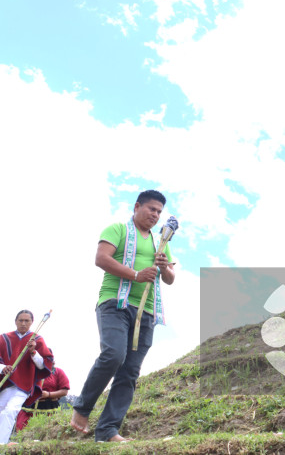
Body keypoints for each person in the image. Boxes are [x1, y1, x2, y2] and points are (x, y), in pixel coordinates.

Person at [70, 190, 177, 442]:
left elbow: (170, 278)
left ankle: (107, 431)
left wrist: (164, 267)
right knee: (114, 354)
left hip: (146, 311)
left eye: (159, 212)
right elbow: (101, 258)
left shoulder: (161, 242)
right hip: (115, 303)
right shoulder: (117, 229)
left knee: (129, 371)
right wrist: (136, 275)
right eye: (151, 209)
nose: (155, 215)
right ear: (137, 206)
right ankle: (82, 408)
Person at [0, 310, 54, 444]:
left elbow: (43, 365)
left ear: (32, 322)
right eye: (21, 320)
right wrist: (3, 367)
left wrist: (33, 351)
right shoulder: (4, 338)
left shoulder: (37, 339)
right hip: (5, 383)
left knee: (10, 411)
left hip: (24, 385)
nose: (23, 323)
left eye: (27, 321)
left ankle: (1, 444)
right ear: (15, 321)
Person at [16, 363, 70, 431]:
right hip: (29, 409)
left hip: (50, 409)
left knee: (48, 432)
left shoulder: (58, 372)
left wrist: (48, 394)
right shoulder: (29, 371)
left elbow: (64, 391)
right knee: (23, 431)